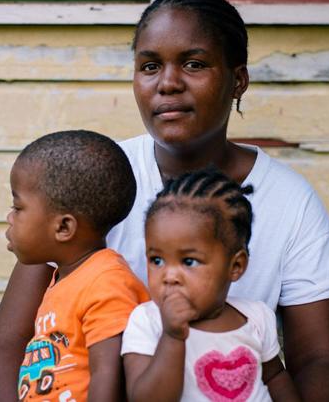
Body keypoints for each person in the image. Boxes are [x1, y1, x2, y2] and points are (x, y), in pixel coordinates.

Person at [0, 0, 329, 401]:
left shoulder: (290, 202)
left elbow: (322, 359)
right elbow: (9, 343)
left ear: (238, 80)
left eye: (194, 64)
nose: (168, 84)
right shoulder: (94, 176)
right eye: (150, 66)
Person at [121, 169, 300, 401]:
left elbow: (274, 376)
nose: (169, 276)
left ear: (236, 266)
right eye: (156, 260)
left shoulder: (256, 317)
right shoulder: (147, 322)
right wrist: (172, 337)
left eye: (189, 261)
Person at [4, 130, 149, 401]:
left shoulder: (107, 282)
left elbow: (108, 374)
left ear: (64, 227)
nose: (10, 218)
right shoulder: (64, 278)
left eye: (18, 207)